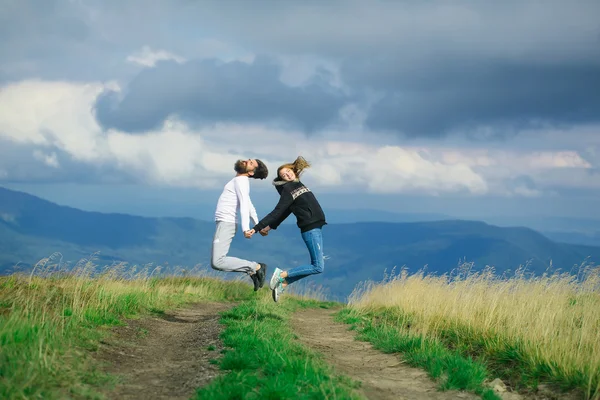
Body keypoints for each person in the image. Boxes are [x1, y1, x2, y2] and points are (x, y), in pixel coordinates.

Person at [245, 156, 326, 302]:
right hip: (310, 228)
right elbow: (277, 211)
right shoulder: (288, 189)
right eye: (283, 175)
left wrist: (270, 227)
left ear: (293, 170)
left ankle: (284, 283)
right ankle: (282, 275)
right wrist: (257, 228)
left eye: (288, 171)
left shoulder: (297, 184)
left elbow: (286, 212)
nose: (287, 174)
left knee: (317, 265)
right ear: (282, 179)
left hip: (316, 227)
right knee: (318, 267)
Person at [211, 158, 269, 291]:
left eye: (250, 163)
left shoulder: (241, 181)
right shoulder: (240, 181)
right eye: (248, 159)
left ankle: (255, 267)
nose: (246, 161)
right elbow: (249, 204)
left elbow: (244, 206)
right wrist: (259, 225)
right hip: (225, 223)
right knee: (217, 261)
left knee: (217, 262)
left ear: (251, 173)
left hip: (226, 222)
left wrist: (246, 229)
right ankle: (253, 270)